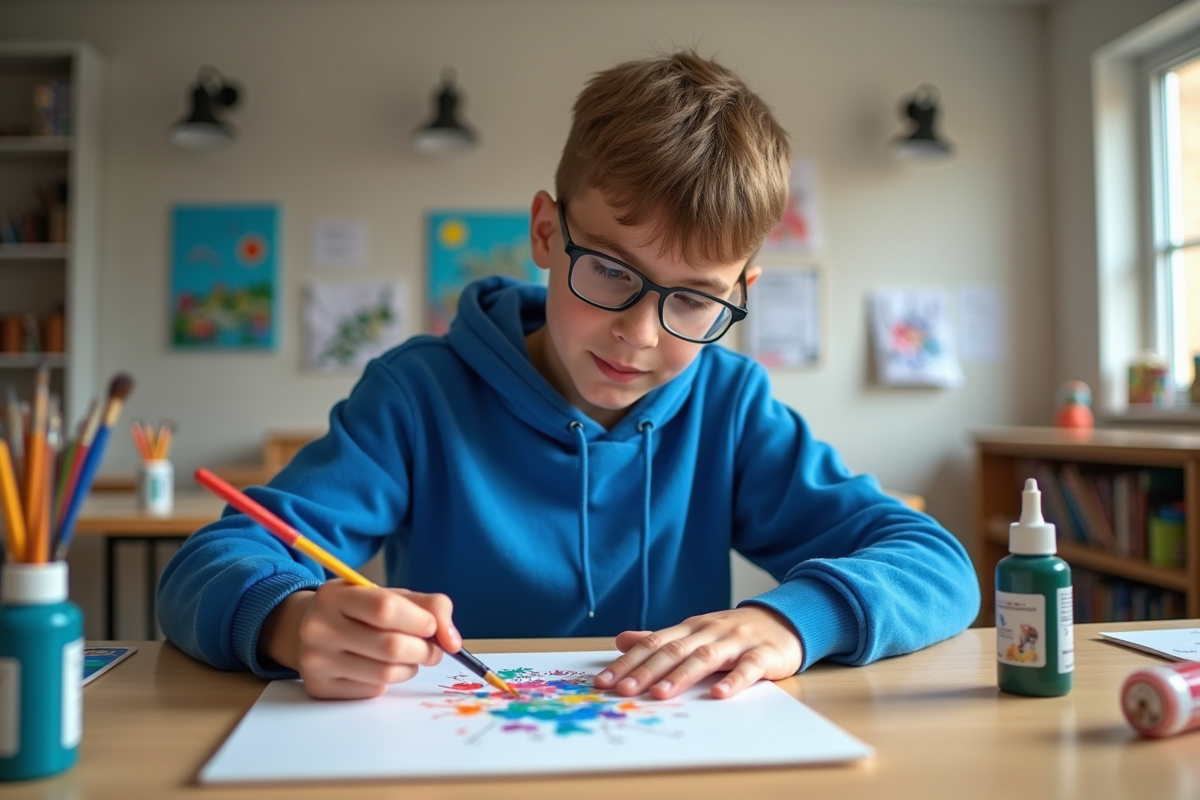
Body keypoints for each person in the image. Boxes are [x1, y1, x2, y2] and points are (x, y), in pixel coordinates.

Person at [158, 50, 980, 702]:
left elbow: (935, 563)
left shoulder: (729, 407)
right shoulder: (416, 397)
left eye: (694, 300)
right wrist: (289, 620)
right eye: (612, 272)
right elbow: (208, 564)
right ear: (548, 234)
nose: (640, 333)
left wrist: (791, 621)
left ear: (739, 293)